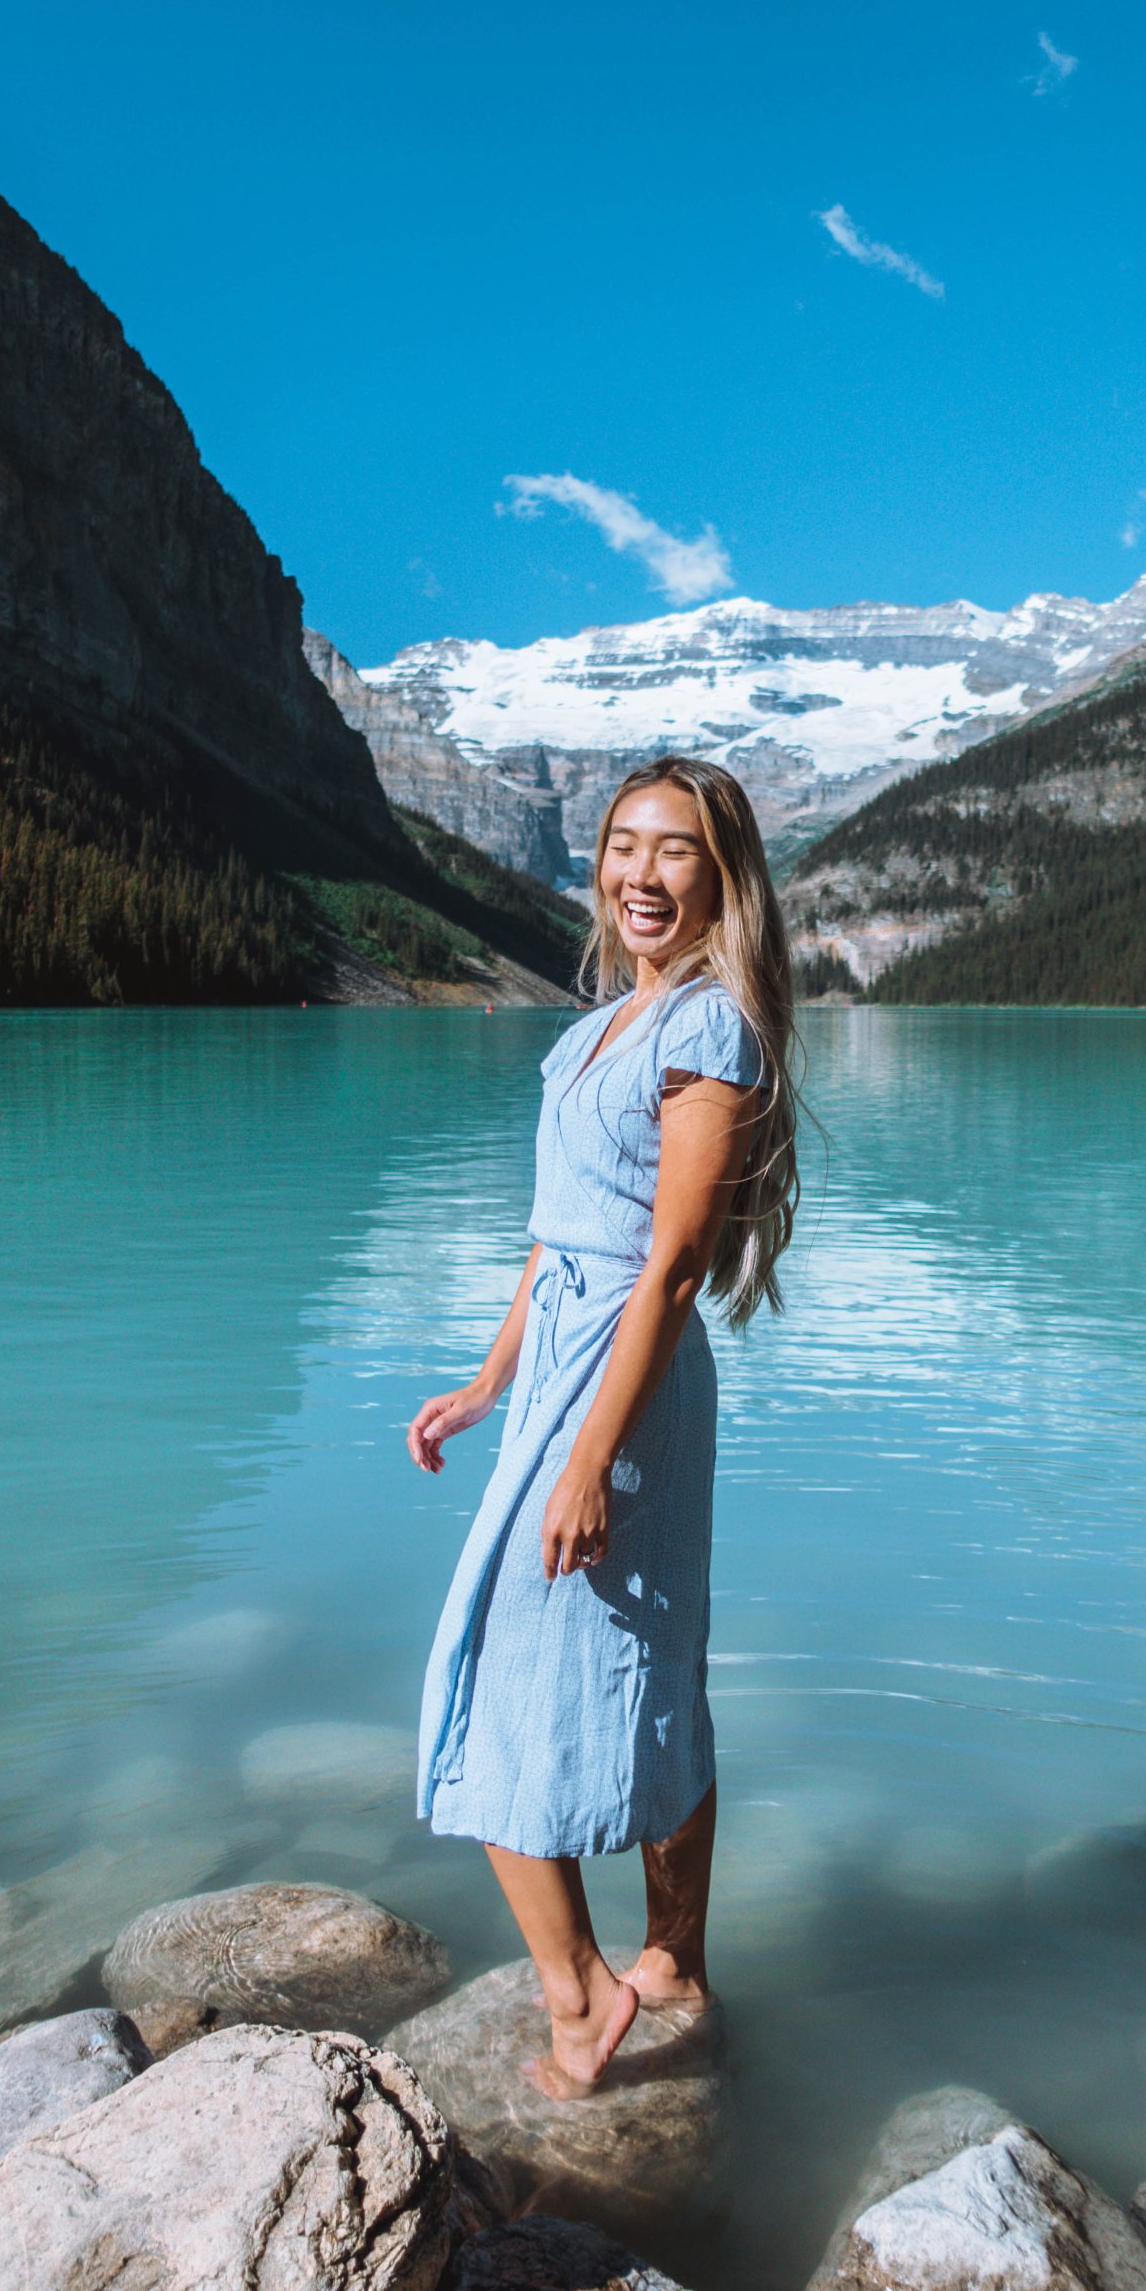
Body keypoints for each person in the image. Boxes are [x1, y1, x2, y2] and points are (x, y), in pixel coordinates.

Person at [410, 755, 801, 2097]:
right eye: (623, 846)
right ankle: (674, 1964)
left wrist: (584, 1457)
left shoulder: (710, 1028)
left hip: (628, 1381)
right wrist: (484, 1386)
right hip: (571, 1360)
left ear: (722, 872)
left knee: (510, 1669)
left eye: (675, 850)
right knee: (640, 1654)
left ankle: (586, 2000)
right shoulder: (593, 1032)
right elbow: (551, 1246)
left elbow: (673, 1265)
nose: (642, 873)